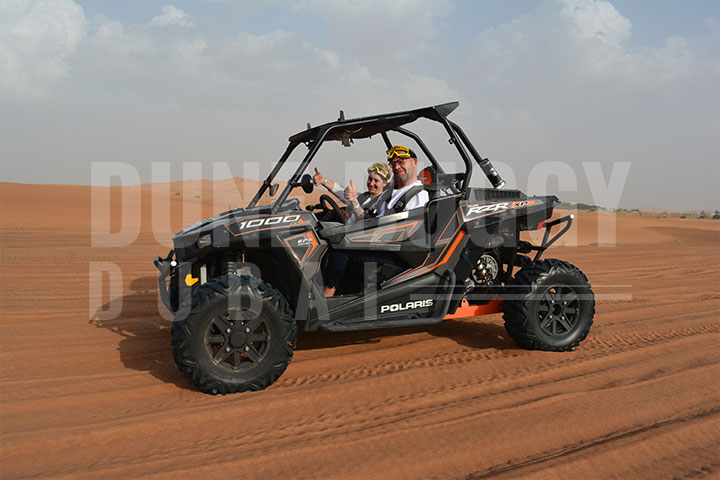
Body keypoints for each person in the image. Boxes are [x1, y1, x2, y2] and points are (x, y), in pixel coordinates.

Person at [321, 146, 429, 297]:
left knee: (340, 248)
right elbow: (374, 219)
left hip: (395, 254)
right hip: (380, 243)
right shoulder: (392, 193)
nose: (396, 166)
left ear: (414, 162)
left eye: (401, 161)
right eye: (393, 163)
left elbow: (405, 230)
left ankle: (327, 296)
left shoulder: (418, 194)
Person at [313, 162, 390, 222]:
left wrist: (354, 202)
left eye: (376, 181)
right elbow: (340, 191)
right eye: (370, 179)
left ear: (384, 183)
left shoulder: (382, 203)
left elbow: (367, 222)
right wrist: (324, 181)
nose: (371, 183)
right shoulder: (363, 197)